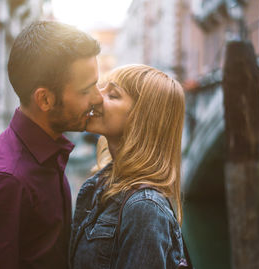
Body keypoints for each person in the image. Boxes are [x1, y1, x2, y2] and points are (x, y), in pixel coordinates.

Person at [0, 21, 103, 269]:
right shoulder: (4, 182)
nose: (98, 98)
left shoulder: (47, 154)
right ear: (45, 99)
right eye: (85, 90)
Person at [69, 64, 190, 269]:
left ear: (141, 119)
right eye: (103, 87)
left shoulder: (145, 209)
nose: (97, 96)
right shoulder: (99, 184)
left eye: (113, 94)